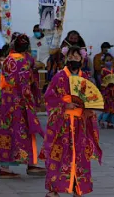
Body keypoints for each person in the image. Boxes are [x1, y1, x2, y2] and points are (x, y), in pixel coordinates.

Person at [42, 46, 102, 196]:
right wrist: (64, 104)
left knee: (80, 156)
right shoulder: (59, 77)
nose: (73, 60)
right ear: (66, 59)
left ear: (82, 60)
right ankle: (53, 189)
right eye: (70, 57)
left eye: (76, 57)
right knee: (58, 155)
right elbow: (49, 97)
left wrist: (89, 109)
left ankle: (78, 187)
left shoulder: (86, 78)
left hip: (80, 124)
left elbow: (91, 99)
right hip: (62, 123)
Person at [0, 34, 46, 179]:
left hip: (6, 101)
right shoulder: (22, 62)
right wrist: (32, 102)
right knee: (26, 132)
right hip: (19, 104)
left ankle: (4, 167)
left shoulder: (7, 60)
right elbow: (24, 86)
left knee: (6, 133)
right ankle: (31, 163)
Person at [97, 46, 114, 129]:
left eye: (110, 60)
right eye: (107, 60)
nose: (109, 62)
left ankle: (110, 122)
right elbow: (102, 81)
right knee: (108, 106)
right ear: (104, 61)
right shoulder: (103, 70)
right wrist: (105, 87)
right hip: (107, 90)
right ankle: (102, 119)